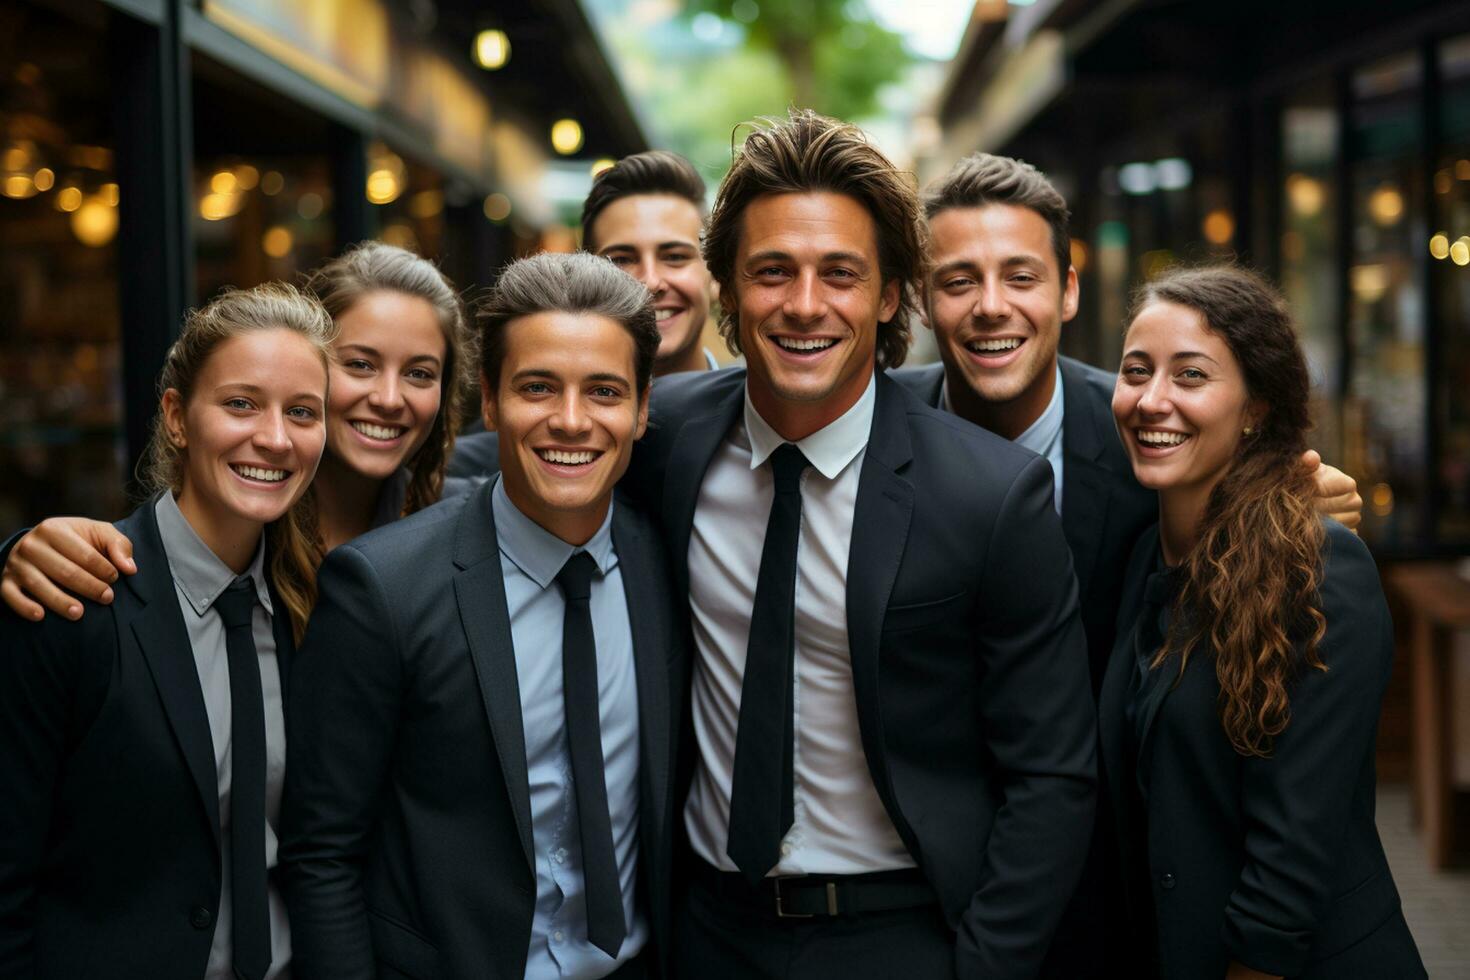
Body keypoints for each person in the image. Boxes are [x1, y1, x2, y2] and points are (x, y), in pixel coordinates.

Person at [624, 111, 1093, 980]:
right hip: (705, 932)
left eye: (840, 273)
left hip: (903, 932)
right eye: (772, 272)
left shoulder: (989, 494)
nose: (805, 305)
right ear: (728, 287)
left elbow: (1054, 777)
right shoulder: (663, 445)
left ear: (887, 297)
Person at [897, 153, 1363, 976]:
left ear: (1069, 291)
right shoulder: (877, 435)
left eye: (1021, 275)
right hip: (925, 897)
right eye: (958, 280)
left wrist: (1304, 504)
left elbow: (1251, 509)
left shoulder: (1147, 436)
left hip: (1128, 907)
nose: (991, 306)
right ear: (923, 300)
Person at [279, 251, 682, 980]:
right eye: (537, 388)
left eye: (604, 391)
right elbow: (323, 856)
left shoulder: (666, 561)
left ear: (643, 407)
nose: (570, 421)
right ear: (490, 401)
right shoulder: (382, 586)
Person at [0, 283, 335, 979]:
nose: (274, 437)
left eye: (302, 412)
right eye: (241, 404)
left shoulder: (321, 613)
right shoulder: (78, 599)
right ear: (177, 417)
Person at [1099, 265, 1425, 980]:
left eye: (1190, 376)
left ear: (1255, 407)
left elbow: (1289, 865)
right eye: (1134, 372)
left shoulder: (1319, 570)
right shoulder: (1140, 562)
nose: (1153, 400)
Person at [0, 241, 474, 638]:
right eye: (360, 364)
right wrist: (19, 551)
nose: (389, 398)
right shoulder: (246, 522)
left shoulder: (461, 528)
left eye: (419, 373)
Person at [582, 149, 720, 375]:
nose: (650, 282)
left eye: (675, 257)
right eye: (622, 260)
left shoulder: (758, 409)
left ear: (715, 275)